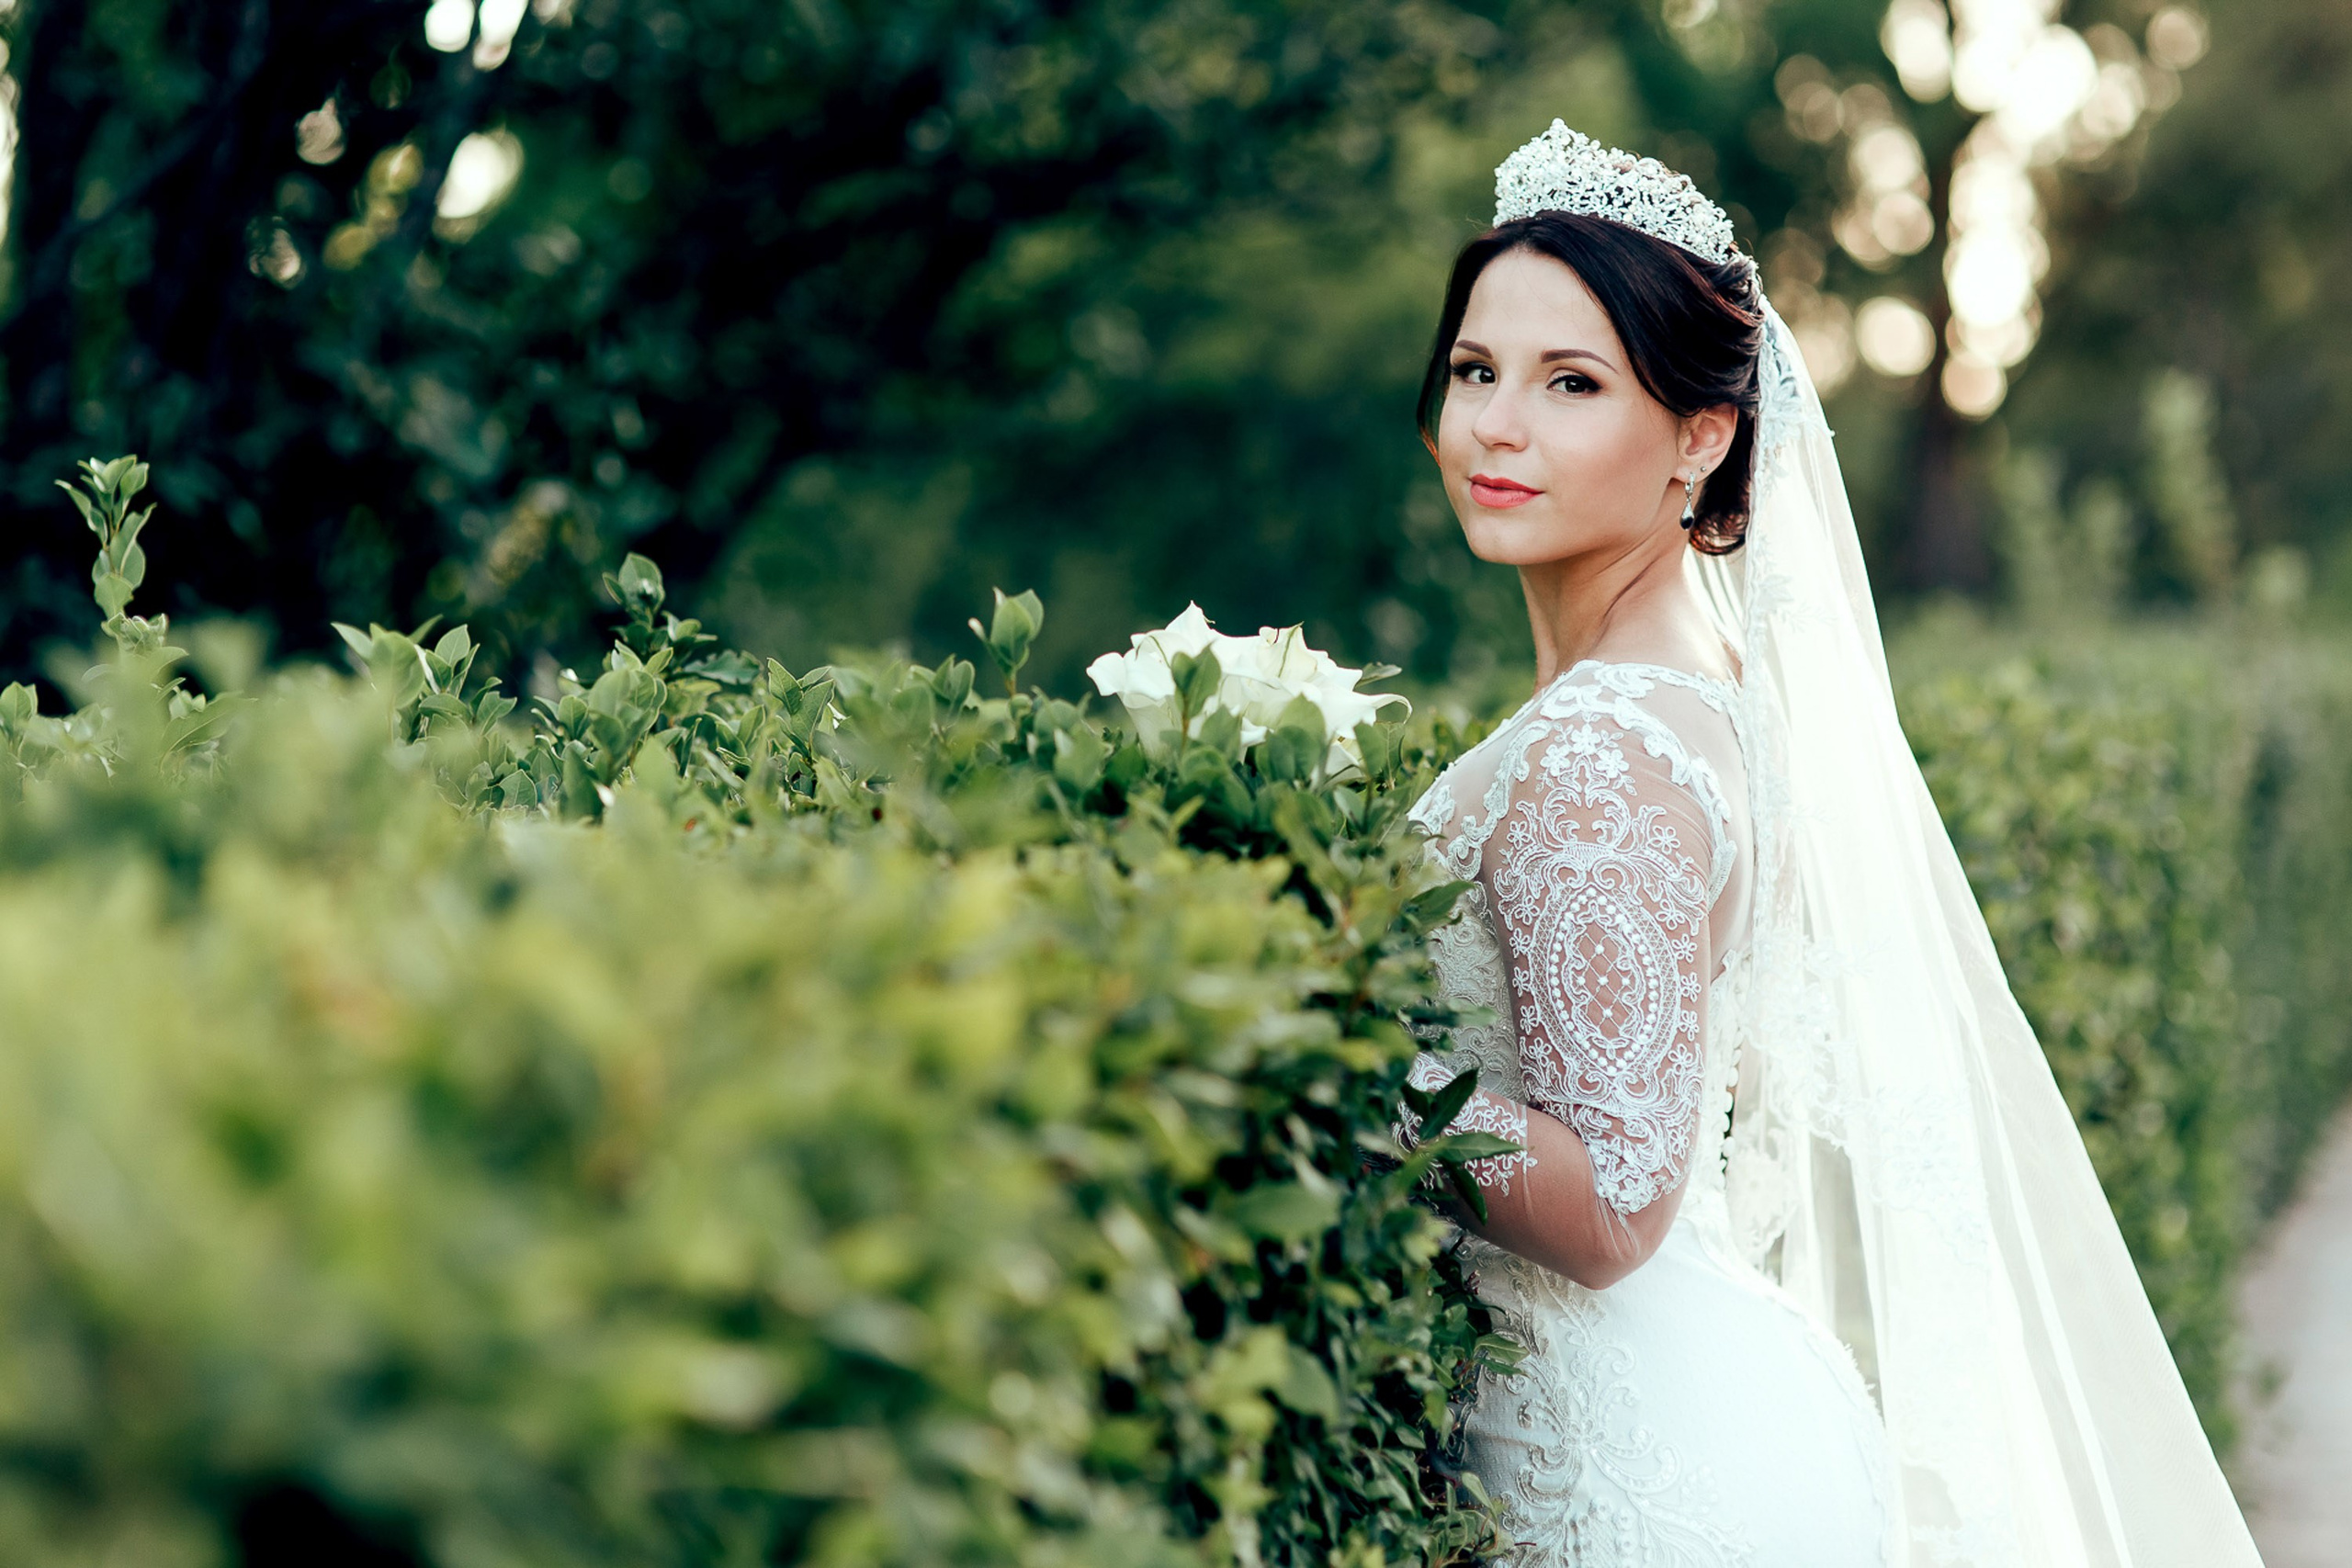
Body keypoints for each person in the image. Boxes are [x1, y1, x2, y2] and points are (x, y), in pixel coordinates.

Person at [1397, 121, 2264, 1567]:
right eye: (1477, 369)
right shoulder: (1703, 695)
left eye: (1572, 383)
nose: (1496, 423)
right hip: (1707, 1404)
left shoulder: (1604, 747)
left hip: (1637, 1467)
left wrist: (1333, 1064)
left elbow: (1612, 1203)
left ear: (1701, 435)